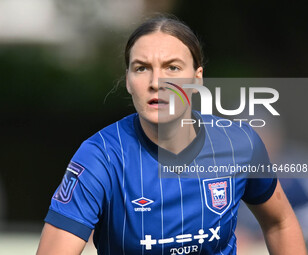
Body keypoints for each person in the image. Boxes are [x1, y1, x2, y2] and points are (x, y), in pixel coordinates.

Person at [37, 15, 306, 255]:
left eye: (173, 68)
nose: (157, 82)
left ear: (197, 78)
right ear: (129, 80)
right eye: (142, 68)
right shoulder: (101, 157)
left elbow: (279, 223)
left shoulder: (239, 143)